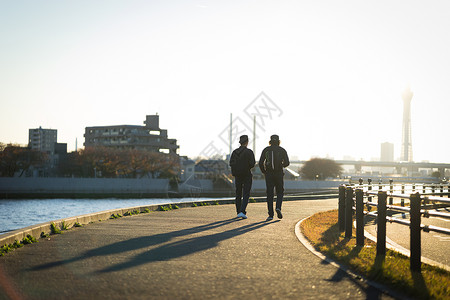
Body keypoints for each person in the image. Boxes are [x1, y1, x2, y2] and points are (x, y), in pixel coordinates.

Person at [259, 134, 290, 221]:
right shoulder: (282, 150)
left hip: (269, 174)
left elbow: (260, 162)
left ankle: (270, 215)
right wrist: (281, 165)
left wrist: (264, 171)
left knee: (269, 194)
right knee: (280, 192)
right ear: (278, 141)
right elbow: (287, 163)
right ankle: (278, 207)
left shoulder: (266, 150)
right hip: (279, 174)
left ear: (270, 141)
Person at [229, 135, 256, 219]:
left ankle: (238, 211)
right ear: (247, 142)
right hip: (247, 174)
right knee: (246, 193)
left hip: (238, 175)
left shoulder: (235, 152)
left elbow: (231, 163)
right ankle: (242, 211)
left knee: (238, 193)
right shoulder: (249, 152)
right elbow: (252, 163)